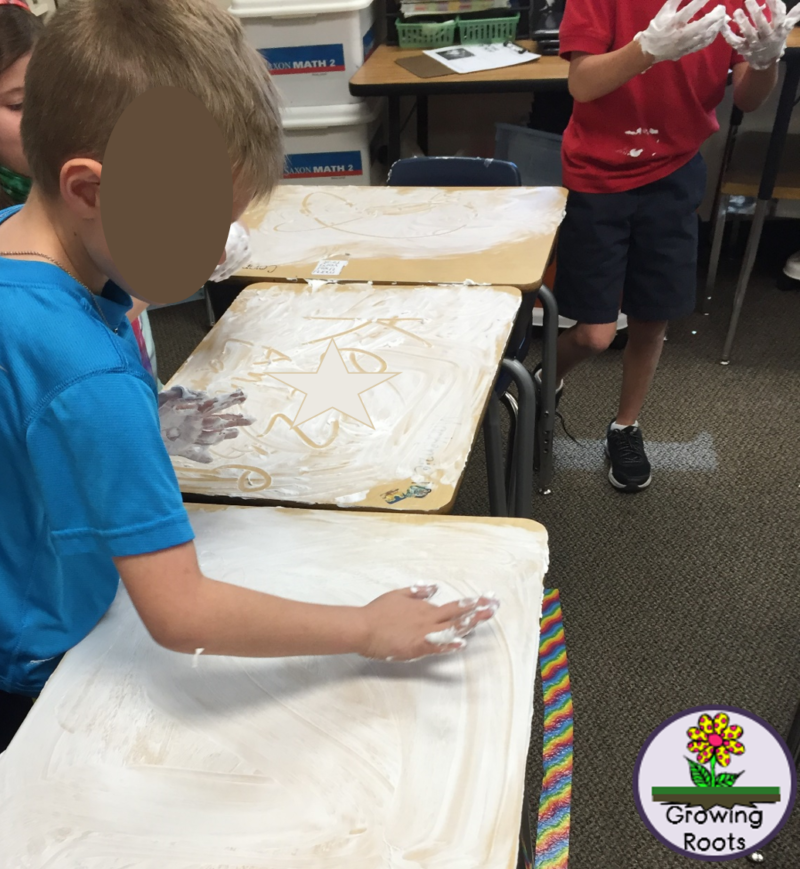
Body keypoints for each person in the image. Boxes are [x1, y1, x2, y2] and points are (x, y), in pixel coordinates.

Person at [0, 0, 498, 752]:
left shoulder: (17, 242)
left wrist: (132, 422)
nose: (213, 255)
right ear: (90, 192)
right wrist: (363, 626)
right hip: (39, 667)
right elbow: (182, 612)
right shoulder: (85, 374)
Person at [549, 0, 799, 491]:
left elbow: (747, 98)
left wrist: (768, 60)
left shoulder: (731, 2)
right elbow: (581, 84)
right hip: (598, 175)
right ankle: (545, 383)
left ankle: (625, 426)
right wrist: (645, 49)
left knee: (651, 319)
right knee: (594, 334)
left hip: (674, 174)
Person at [0, 0, 159, 376]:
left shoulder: (67, 160)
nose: (44, 120)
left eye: (49, 98)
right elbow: (61, 333)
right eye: (20, 104)